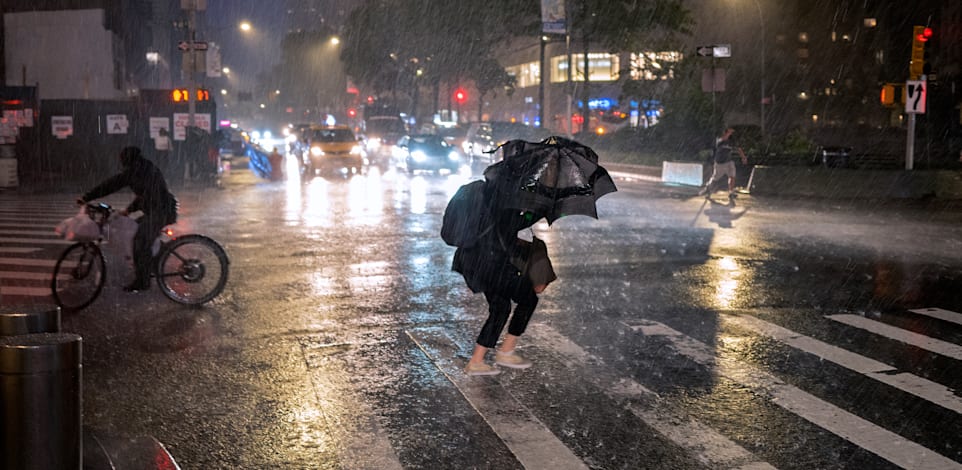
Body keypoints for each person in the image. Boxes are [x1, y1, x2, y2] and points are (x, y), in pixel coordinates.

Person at [453, 167, 550, 376]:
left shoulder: (484, 196)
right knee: (528, 299)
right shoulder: (506, 203)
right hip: (493, 264)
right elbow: (519, 225)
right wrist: (543, 208)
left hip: (474, 262)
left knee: (500, 307)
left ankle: (477, 361)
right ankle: (506, 351)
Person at [78, 146, 178, 292]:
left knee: (140, 241)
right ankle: (153, 263)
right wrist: (128, 210)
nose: (122, 162)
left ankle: (142, 281)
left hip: (161, 212)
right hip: (157, 210)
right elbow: (144, 194)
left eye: (123, 159)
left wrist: (87, 197)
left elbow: (112, 184)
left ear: (128, 159)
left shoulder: (137, 171)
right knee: (134, 232)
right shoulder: (143, 168)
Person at [698, 127, 747, 200]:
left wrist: (743, 157)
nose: (729, 134)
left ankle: (731, 192)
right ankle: (707, 188)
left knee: (732, 176)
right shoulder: (719, 140)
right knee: (715, 178)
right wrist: (728, 132)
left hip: (729, 162)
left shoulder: (731, 141)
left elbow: (739, 149)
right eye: (727, 133)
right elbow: (723, 139)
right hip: (719, 163)